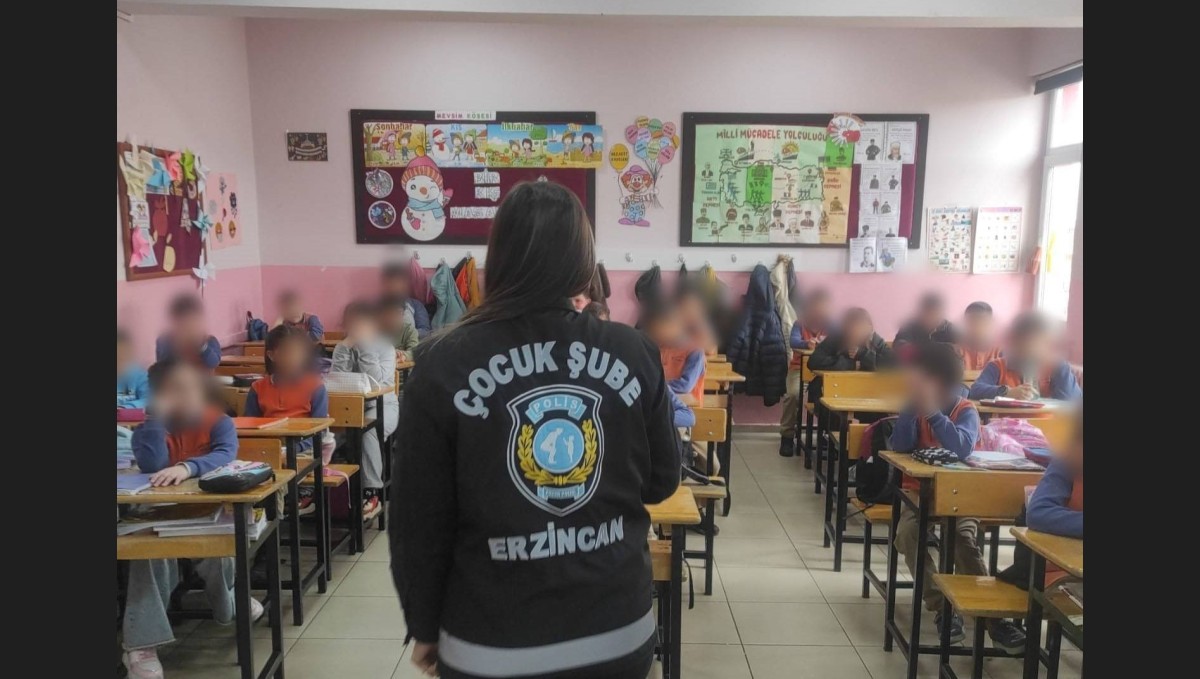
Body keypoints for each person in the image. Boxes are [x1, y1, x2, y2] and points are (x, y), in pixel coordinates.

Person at [392, 181, 680, 679]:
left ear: (498, 257)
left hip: (490, 643)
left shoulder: (441, 362)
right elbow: (662, 482)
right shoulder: (633, 351)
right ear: (584, 262)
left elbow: (418, 520)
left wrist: (423, 624)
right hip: (617, 632)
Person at [887, 343, 1026, 653]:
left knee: (962, 538)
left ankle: (993, 619)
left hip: (961, 492)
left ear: (941, 381)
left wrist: (934, 413)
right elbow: (900, 445)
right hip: (921, 492)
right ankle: (943, 609)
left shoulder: (965, 410)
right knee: (908, 533)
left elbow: (961, 446)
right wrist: (911, 408)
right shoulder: (914, 406)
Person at [123, 358, 257, 678]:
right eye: (174, 390)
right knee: (145, 554)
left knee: (220, 554)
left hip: (209, 512)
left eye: (190, 387)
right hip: (158, 514)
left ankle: (230, 603)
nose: (186, 395)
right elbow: (152, 464)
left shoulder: (218, 422)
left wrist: (188, 467)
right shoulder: (148, 430)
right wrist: (155, 419)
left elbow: (225, 454)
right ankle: (142, 645)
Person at [243, 325, 333, 516]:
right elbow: (249, 428)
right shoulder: (258, 388)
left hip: (305, 448)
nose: (294, 358)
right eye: (287, 352)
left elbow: (318, 431)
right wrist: (270, 449)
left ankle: (270, 522)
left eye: (299, 352)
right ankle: (253, 521)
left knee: (275, 476)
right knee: (249, 473)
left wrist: (291, 449)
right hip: (268, 449)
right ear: (272, 355)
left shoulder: (315, 386)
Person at [331, 300, 398, 520]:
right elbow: (336, 380)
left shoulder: (385, 348)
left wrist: (365, 346)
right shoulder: (343, 346)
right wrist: (344, 347)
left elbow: (377, 383)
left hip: (383, 405)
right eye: (352, 323)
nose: (356, 328)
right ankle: (317, 491)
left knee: (367, 431)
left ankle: (372, 492)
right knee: (324, 433)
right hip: (349, 407)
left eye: (361, 324)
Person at [969, 311, 1082, 401]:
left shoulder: (1056, 367)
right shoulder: (997, 366)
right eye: (1025, 344)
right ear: (1015, 344)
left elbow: (1073, 400)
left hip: (1048, 422)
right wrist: (1008, 392)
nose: (1031, 350)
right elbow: (974, 391)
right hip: (1007, 422)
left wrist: (1060, 369)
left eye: (1038, 343)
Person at [779, 289, 834, 456]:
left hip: (823, 371)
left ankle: (826, 433)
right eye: (816, 307)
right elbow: (793, 342)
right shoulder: (799, 323)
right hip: (798, 368)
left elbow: (839, 341)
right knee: (793, 395)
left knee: (831, 397)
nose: (819, 312)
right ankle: (787, 436)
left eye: (823, 308)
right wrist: (807, 344)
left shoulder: (832, 325)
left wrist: (823, 345)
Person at [806, 307, 895, 407]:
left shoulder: (875, 341)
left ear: (869, 328)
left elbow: (895, 365)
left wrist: (863, 354)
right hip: (835, 393)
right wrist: (852, 365)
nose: (855, 331)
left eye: (860, 327)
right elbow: (814, 361)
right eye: (851, 327)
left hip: (868, 395)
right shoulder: (836, 338)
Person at [155, 293, 221, 369]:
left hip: (202, 376)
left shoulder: (210, 340)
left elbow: (214, 363)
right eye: (182, 323)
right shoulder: (164, 341)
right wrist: (176, 346)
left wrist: (201, 345)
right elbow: (163, 367)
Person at [382, 261, 433, 338]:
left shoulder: (416, 305)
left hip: (411, 343)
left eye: (398, 283)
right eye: (391, 283)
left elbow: (425, 331)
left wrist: (407, 333)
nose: (395, 287)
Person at [894, 292, 959, 351]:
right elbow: (899, 346)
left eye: (936, 315)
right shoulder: (909, 327)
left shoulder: (949, 328)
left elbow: (960, 348)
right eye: (929, 314)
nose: (932, 319)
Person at [957, 301, 1002, 370]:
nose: (978, 329)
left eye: (983, 324)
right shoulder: (956, 351)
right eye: (972, 324)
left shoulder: (1000, 352)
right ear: (965, 323)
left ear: (991, 324)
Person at [379, 295, 420, 362]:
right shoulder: (375, 331)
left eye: (398, 313)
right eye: (391, 314)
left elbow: (415, 351)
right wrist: (391, 353)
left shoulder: (409, 330)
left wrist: (404, 356)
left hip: (403, 367)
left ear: (403, 314)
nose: (395, 319)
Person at [117, 329, 150, 410]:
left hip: (129, 416)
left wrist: (125, 407)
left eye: (123, 357)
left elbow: (149, 400)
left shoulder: (139, 374)